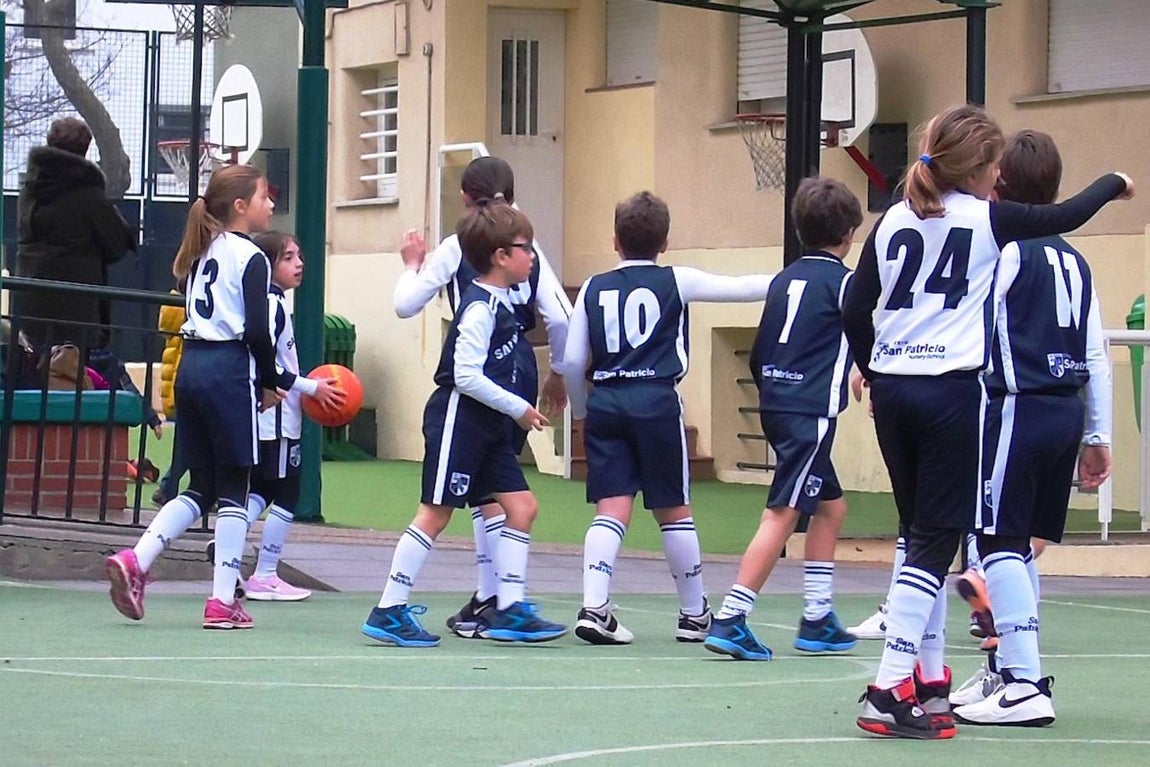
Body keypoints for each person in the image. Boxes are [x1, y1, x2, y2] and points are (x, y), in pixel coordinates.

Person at [843, 103, 1132, 740]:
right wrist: (1115, 182)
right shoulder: (987, 220)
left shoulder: (891, 219)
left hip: (894, 392)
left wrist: (874, 364)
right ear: (980, 172)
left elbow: (854, 303)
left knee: (917, 529)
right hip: (951, 392)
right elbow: (1065, 215)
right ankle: (890, 687)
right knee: (938, 538)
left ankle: (930, 675)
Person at [557, 191, 774, 645]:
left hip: (608, 401)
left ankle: (594, 607)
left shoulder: (593, 287)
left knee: (611, 508)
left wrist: (581, 408)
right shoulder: (678, 279)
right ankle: (694, 614)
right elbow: (742, 288)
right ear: (666, 241)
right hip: (655, 400)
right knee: (673, 510)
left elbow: (573, 361)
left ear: (614, 240)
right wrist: (797, 280)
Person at [948, 130, 1112, 727]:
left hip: (1016, 405)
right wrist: (1098, 433)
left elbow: (974, 326)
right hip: (1064, 409)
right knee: (1014, 545)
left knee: (997, 541)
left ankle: (1022, 681)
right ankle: (1004, 673)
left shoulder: (1004, 252)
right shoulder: (1076, 259)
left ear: (1002, 185)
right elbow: (1094, 352)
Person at [362, 200, 567, 647]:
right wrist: (517, 406)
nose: (532, 257)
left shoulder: (504, 305)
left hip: (489, 426)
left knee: (522, 508)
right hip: (460, 420)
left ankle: (509, 607)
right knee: (435, 515)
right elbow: (464, 374)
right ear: (500, 256)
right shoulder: (478, 309)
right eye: (525, 248)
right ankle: (389, 609)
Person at [104, 164, 291, 630]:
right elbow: (255, 328)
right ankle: (222, 600)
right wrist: (270, 380)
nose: (272, 204)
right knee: (235, 486)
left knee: (201, 485)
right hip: (228, 371)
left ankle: (137, 559)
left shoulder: (202, 252)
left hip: (193, 367)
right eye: (266, 197)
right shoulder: (250, 256)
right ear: (242, 206)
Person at [703, 177, 861, 661]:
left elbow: (763, 342)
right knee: (784, 512)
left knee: (830, 507)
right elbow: (865, 336)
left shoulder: (784, 279)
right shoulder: (847, 283)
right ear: (849, 233)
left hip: (775, 401)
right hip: (809, 411)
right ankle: (732, 615)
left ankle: (817, 616)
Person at [242, 231, 344, 601]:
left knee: (264, 488)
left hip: (271, 413)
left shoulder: (271, 302)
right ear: (267, 266)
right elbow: (264, 360)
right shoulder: (270, 305)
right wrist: (313, 388)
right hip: (277, 415)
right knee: (287, 491)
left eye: (299, 255)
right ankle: (265, 573)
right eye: (288, 257)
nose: (299, 263)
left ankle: (229, 539)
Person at [15, 117, 137, 352]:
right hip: (75, 312)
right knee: (72, 378)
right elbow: (117, 245)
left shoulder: (30, 189)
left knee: (33, 375)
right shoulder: (87, 194)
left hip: (29, 302)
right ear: (85, 148)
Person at [153, 284, 188, 507]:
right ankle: (168, 486)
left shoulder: (173, 309)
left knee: (188, 440)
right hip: (186, 382)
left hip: (175, 385)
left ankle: (170, 487)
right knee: (191, 441)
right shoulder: (191, 309)